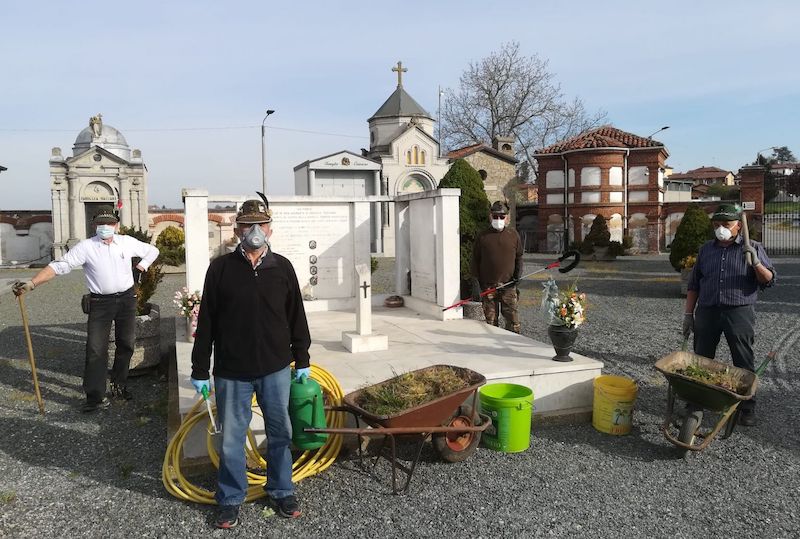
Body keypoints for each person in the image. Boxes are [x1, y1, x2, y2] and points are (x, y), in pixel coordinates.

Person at [190, 195, 311, 529]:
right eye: (247, 225)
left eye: (260, 224)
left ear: (270, 229)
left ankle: (282, 490)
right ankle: (229, 499)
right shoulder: (220, 269)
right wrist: (200, 368)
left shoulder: (282, 267)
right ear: (237, 229)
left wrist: (302, 358)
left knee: (280, 432)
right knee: (231, 437)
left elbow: (296, 316)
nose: (254, 231)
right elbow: (208, 322)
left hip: (275, 368)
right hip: (232, 371)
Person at [13, 206, 159, 412]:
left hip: (127, 299)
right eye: (100, 224)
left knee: (126, 344)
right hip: (100, 302)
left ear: (116, 225)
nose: (105, 227)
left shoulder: (127, 243)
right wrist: (33, 283)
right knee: (95, 349)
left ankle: (119, 384)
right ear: (94, 225)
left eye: (109, 224)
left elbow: (153, 250)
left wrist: (141, 267)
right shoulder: (86, 247)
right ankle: (95, 396)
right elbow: (59, 266)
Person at [682, 203, 776, 426]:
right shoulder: (706, 250)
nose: (721, 228)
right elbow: (694, 285)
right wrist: (688, 314)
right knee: (701, 359)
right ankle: (696, 402)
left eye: (726, 224)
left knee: (743, 361)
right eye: (716, 224)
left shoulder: (753, 247)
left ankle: (747, 407)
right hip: (708, 311)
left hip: (739, 312)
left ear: (737, 227)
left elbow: (769, 280)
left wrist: (756, 263)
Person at [471, 200, 523, 333]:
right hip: (488, 287)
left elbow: (519, 258)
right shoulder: (482, 236)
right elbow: (475, 260)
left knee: (513, 322)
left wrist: (518, 276)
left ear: (507, 218)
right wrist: (476, 284)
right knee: (490, 323)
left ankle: (512, 348)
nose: (498, 219)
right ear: (490, 216)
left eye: (501, 217)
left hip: (508, 285)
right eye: (495, 216)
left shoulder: (513, 235)